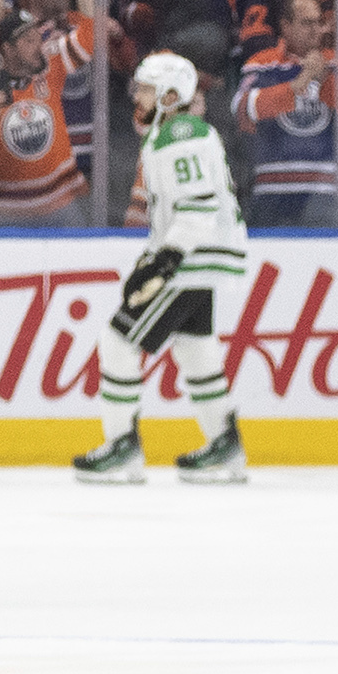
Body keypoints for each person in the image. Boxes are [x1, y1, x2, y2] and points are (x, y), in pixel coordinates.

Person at [72, 50, 249, 486]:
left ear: (172, 95)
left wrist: (165, 261)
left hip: (191, 258)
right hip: (202, 256)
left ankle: (122, 446)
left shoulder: (181, 131)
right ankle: (225, 446)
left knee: (117, 342)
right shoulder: (170, 132)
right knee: (194, 347)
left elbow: (196, 207)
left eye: (149, 89)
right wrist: (157, 256)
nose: (140, 95)